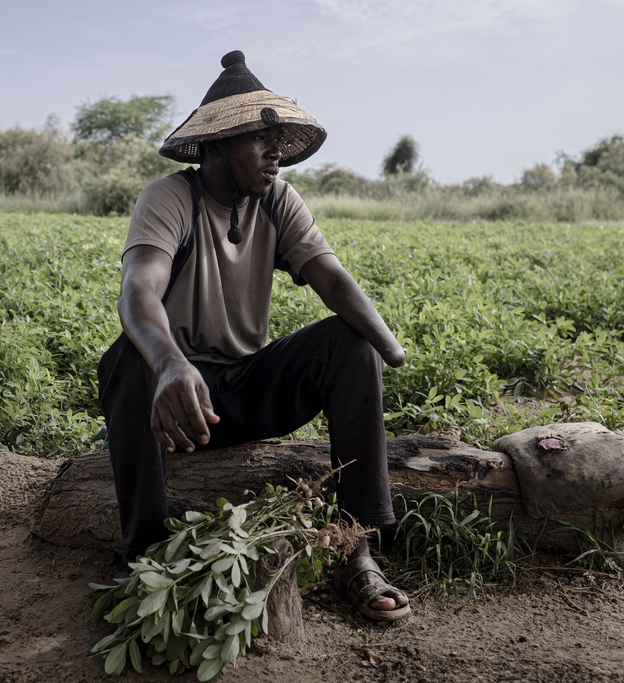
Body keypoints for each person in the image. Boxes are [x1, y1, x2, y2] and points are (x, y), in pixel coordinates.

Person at [97, 50, 410, 621]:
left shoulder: (279, 200)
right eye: (259, 140)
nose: (274, 154)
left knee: (350, 344)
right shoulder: (170, 198)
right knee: (128, 357)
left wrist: (387, 346)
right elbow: (138, 291)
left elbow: (331, 278)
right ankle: (145, 558)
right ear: (217, 145)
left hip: (244, 392)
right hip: (179, 406)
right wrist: (170, 364)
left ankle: (355, 549)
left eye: (277, 141)